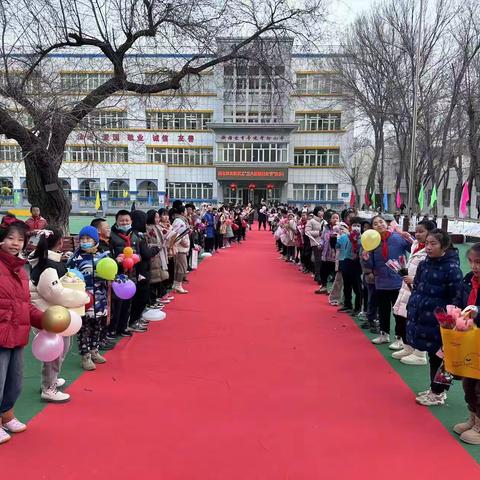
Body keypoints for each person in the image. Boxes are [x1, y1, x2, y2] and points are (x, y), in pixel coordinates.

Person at [29, 228, 89, 402]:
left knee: (61, 350)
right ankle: (49, 387)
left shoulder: (46, 260)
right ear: (59, 243)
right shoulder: (47, 265)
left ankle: (51, 380)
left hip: (54, 314)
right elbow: (57, 294)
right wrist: (82, 297)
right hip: (50, 316)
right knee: (54, 353)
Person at [406, 229, 463, 407]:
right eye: (427, 243)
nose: (429, 247)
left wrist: (450, 322)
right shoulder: (424, 264)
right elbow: (418, 287)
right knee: (434, 357)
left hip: (442, 322)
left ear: (444, 246)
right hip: (425, 319)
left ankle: (439, 392)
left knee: (444, 359)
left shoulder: (452, 269)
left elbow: (457, 298)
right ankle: (434, 389)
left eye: (434, 244)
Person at [0, 217, 43, 445]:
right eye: (10, 238)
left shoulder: (21, 270)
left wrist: (44, 319)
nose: (15, 243)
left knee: (14, 380)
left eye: (20, 240)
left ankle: (6, 414)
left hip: (17, 332)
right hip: (1, 333)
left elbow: (25, 304)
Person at [391, 220, 436, 365]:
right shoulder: (416, 245)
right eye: (416, 231)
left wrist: (414, 279)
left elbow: (430, 273)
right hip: (407, 286)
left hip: (418, 288)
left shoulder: (431, 250)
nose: (417, 234)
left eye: (421, 231)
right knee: (404, 317)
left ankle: (420, 353)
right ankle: (408, 347)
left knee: (419, 320)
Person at [365, 215, 412, 347]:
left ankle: (400, 338)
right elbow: (370, 262)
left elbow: (413, 249)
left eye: (381, 222)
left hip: (398, 281)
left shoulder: (398, 237)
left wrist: (408, 237)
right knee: (383, 310)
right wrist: (366, 259)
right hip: (381, 281)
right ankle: (384, 334)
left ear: (386, 223)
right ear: (372, 228)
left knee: (399, 312)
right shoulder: (372, 242)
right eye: (375, 224)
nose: (379, 225)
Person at [67, 226, 109, 370]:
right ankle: (85, 356)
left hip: (100, 298)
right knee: (85, 328)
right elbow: (70, 276)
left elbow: (110, 272)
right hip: (83, 299)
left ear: (95, 240)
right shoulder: (75, 257)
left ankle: (94, 351)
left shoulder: (103, 256)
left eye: (88, 239)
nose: (85, 241)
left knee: (98, 326)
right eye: (82, 239)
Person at [452, 243, 480, 443]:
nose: (474, 266)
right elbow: (460, 301)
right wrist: (455, 314)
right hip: (469, 339)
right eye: (471, 262)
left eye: (478, 262)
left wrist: (476, 314)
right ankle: (473, 417)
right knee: (467, 381)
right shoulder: (469, 279)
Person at [109, 210, 139, 338]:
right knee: (117, 304)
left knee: (127, 303)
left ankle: (123, 327)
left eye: (127, 220)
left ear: (131, 221)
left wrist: (137, 258)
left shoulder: (134, 236)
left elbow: (138, 253)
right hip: (118, 275)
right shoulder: (111, 236)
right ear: (116, 221)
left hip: (131, 274)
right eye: (121, 220)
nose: (124, 223)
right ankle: (112, 329)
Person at [129, 210, 159, 332]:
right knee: (140, 296)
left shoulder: (139, 234)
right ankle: (133, 320)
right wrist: (155, 250)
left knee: (143, 295)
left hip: (144, 268)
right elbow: (145, 253)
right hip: (140, 270)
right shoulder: (136, 235)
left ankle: (137, 317)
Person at [90, 218, 115, 352]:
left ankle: (102, 338)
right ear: (98, 230)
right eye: (107, 227)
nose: (109, 229)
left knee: (106, 310)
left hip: (106, 283)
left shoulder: (107, 243)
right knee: (100, 313)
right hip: (97, 286)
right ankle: (98, 340)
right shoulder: (98, 247)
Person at [336, 217, 362, 315]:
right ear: (350, 227)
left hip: (356, 263)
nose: (356, 228)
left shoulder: (362, 238)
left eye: (358, 226)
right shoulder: (346, 236)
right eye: (354, 225)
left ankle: (358, 307)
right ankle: (347, 304)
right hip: (346, 260)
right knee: (346, 285)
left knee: (357, 286)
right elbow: (337, 246)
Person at [146, 210, 170, 307]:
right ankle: (152, 300)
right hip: (154, 255)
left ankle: (156, 298)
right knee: (153, 278)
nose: (158, 219)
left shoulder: (155, 227)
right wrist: (157, 246)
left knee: (158, 276)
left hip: (158, 254)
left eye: (158, 217)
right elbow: (148, 242)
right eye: (156, 217)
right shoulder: (148, 228)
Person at [318, 211, 339, 296]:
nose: (335, 219)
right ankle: (324, 286)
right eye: (333, 218)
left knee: (334, 274)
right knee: (323, 271)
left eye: (337, 218)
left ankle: (332, 290)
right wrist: (321, 244)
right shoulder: (326, 228)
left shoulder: (340, 229)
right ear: (330, 219)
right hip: (326, 254)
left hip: (335, 256)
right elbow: (322, 238)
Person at [171, 205, 191, 294]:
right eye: (186, 211)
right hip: (180, 248)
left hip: (182, 248)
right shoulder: (179, 221)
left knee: (180, 267)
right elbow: (176, 234)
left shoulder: (181, 220)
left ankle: (176, 284)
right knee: (182, 268)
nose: (187, 212)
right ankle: (178, 285)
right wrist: (182, 242)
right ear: (182, 212)